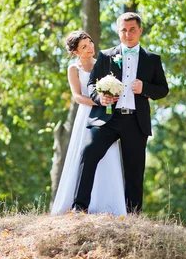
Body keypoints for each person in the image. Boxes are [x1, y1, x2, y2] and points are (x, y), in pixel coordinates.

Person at [72, 13, 169, 214]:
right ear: (118, 31)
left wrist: (144, 88)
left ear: (140, 30)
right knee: (88, 154)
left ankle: (133, 215)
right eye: (123, 30)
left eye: (132, 29)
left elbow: (162, 89)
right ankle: (79, 208)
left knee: (134, 171)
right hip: (108, 118)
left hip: (136, 121)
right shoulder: (107, 56)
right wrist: (100, 98)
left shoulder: (152, 59)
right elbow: (91, 84)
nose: (128, 34)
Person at [51, 31, 126, 216]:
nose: (90, 48)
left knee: (107, 155)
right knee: (84, 155)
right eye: (84, 46)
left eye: (90, 42)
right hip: (86, 113)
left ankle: (108, 203)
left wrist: (109, 97)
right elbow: (77, 96)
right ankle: (77, 202)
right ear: (76, 51)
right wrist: (99, 100)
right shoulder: (73, 69)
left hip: (105, 114)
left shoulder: (104, 62)